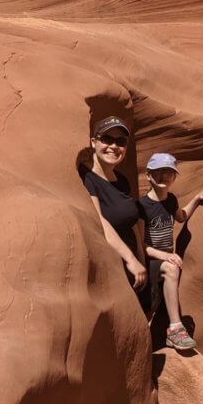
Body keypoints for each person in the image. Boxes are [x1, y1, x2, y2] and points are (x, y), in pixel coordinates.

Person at [141, 153, 203, 350]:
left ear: (174, 177)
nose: (164, 176)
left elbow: (181, 217)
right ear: (148, 176)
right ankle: (174, 330)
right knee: (169, 272)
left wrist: (198, 199)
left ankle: (170, 330)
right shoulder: (142, 206)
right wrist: (165, 256)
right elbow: (140, 245)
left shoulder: (171, 200)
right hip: (150, 259)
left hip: (166, 257)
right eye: (159, 172)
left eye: (169, 172)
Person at [80, 116, 150, 309]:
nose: (113, 146)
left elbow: (132, 221)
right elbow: (100, 222)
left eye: (120, 141)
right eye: (107, 139)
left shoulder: (122, 180)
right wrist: (130, 260)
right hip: (112, 265)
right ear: (94, 142)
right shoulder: (87, 180)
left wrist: (140, 256)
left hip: (133, 264)